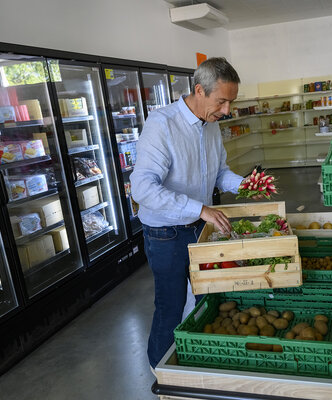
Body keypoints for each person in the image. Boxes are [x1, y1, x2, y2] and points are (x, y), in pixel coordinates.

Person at [131, 57, 246, 371]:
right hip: (166, 234)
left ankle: (202, 359)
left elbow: (219, 173)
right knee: (171, 306)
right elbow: (141, 189)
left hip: (200, 227)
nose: (226, 111)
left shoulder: (211, 126)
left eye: (230, 102)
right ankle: (162, 374)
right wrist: (200, 209)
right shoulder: (162, 124)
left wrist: (246, 185)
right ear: (199, 90)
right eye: (221, 101)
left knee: (209, 297)